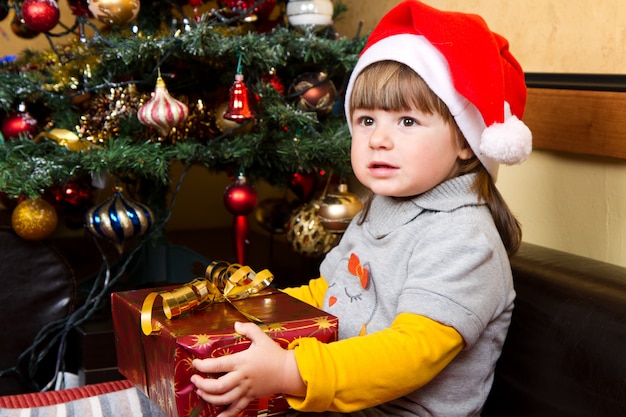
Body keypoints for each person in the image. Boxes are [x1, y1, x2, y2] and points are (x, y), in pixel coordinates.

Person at [190, 1, 532, 416]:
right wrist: (252, 314)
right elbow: (330, 294)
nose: (377, 139)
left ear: (465, 141)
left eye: (407, 122)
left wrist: (290, 370)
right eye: (366, 120)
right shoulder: (380, 208)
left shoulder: (463, 238)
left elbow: (411, 352)